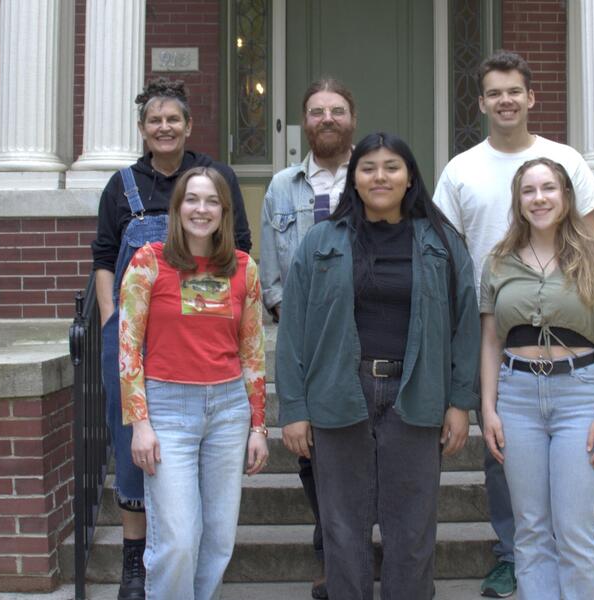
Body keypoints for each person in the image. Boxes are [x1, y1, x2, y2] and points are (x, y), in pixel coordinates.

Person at [432, 50, 594, 598]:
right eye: (494, 93)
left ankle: (575, 556)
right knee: (502, 451)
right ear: (481, 102)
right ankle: (512, 553)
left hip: (569, 338)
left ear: (531, 98)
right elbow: (446, 250)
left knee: (574, 488)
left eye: (514, 91)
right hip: (497, 329)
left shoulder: (565, 160)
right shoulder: (461, 169)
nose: (505, 101)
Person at [276, 132, 480, 600]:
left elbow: (465, 325)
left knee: (411, 528)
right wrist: (294, 408)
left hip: (417, 394)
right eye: (368, 167)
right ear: (354, 178)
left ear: (410, 178)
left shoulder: (443, 242)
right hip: (339, 395)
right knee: (342, 528)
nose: (380, 176)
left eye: (392, 166)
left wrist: (458, 403)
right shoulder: (320, 242)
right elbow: (293, 334)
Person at [90, 77, 251, 600]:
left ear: (187, 125)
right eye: (155, 120)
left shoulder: (215, 176)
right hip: (139, 342)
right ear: (142, 129)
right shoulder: (122, 186)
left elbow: (240, 251)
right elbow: (102, 258)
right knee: (132, 441)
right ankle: (137, 558)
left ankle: (161, 561)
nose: (164, 127)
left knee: (204, 518)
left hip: (210, 359)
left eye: (173, 119)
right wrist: (114, 319)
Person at [479, 158, 594, 600]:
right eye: (529, 190)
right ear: (518, 200)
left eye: (548, 188)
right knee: (530, 528)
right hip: (518, 395)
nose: (539, 198)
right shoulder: (498, 261)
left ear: (565, 197)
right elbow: (490, 341)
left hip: (579, 395)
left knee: (575, 526)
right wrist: (488, 408)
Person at [119, 166, 268, 600]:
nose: (201, 209)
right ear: (177, 207)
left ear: (225, 211)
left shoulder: (244, 268)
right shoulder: (149, 261)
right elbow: (128, 347)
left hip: (227, 410)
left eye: (212, 202)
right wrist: (140, 422)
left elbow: (253, 352)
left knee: (218, 540)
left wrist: (258, 426)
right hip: (168, 409)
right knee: (179, 539)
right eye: (192, 200)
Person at [259, 77, 356, 600]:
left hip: (365, 334)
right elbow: (271, 267)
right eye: (316, 111)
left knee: (364, 444)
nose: (326, 119)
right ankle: (332, 550)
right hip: (307, 337)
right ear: (305, 122)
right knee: (311, 451)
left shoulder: (374, 173)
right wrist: (286, 315)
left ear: (352, 119)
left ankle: (355, 543)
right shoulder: (282, 186)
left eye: (336, 110)